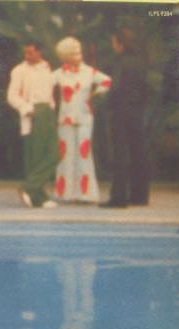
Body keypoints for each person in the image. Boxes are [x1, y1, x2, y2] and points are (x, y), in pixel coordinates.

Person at [53, 37, 112, 204]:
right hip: (65, 118)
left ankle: (86, 194)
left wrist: (95, 95)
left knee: (84, 154)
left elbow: (107, 81)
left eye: (79, 53)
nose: (78, 56)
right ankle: (65, 193)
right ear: (65, 56)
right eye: (74, 54)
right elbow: (45, 85)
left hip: (85, 117)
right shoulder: (58, 73)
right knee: (65, 155)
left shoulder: (89, 71)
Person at [7, 40, 59, 209]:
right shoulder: (19, 70)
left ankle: (30, 187)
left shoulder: (47, 67)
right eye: (25, 53)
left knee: (54, 154)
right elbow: (12, 95)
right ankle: (38, 196)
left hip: (47, 112)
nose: (27, 56)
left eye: (30, 52)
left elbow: (49, 92)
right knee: (36, 157)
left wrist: (51, 108)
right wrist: (26, 109)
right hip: (34, 111)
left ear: (39, 52)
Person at [100, 27, 149, 208]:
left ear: (120, 44)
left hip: (121, 111)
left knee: (120, 153)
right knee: (138, 152)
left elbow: (116, 87)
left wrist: (107, 104)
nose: (113, 46)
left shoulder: (120, 62)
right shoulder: (140, 61)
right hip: (137, 111)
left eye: (114, 42)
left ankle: (119, 197)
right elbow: (145, 87)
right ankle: (140, 195)